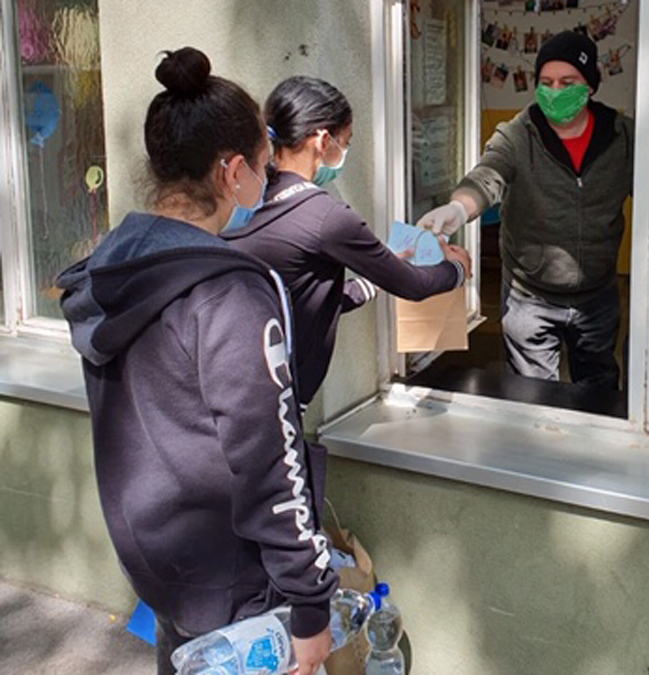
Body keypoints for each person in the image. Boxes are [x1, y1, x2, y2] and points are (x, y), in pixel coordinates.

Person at [57, 48, 336, 675]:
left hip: (163, 568)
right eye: (264, 166)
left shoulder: (115, 269)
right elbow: (270, 456)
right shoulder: (229, 292)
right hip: (236, 581)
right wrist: (311, 602)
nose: (267, 180)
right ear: (231, 171)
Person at [222, 76, 472, 407]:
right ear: (323, 140)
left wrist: (377, 274)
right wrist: (456, 268)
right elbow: (413, 285)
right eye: (347, 142)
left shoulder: (251, 196)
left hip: (236, 380)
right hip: (277, 400)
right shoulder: (326, 216)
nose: (345, 152)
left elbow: (308, 297)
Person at [418, 31, 633, 391]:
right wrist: (457, 208)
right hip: (530, 295)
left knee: (599, 391)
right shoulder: (518, 135)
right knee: (531, 397)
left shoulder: (623, 137)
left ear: (591, 86)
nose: (555, 91)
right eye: (546, 82)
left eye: (568, 82)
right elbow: (487, 176)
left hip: (597, 294)